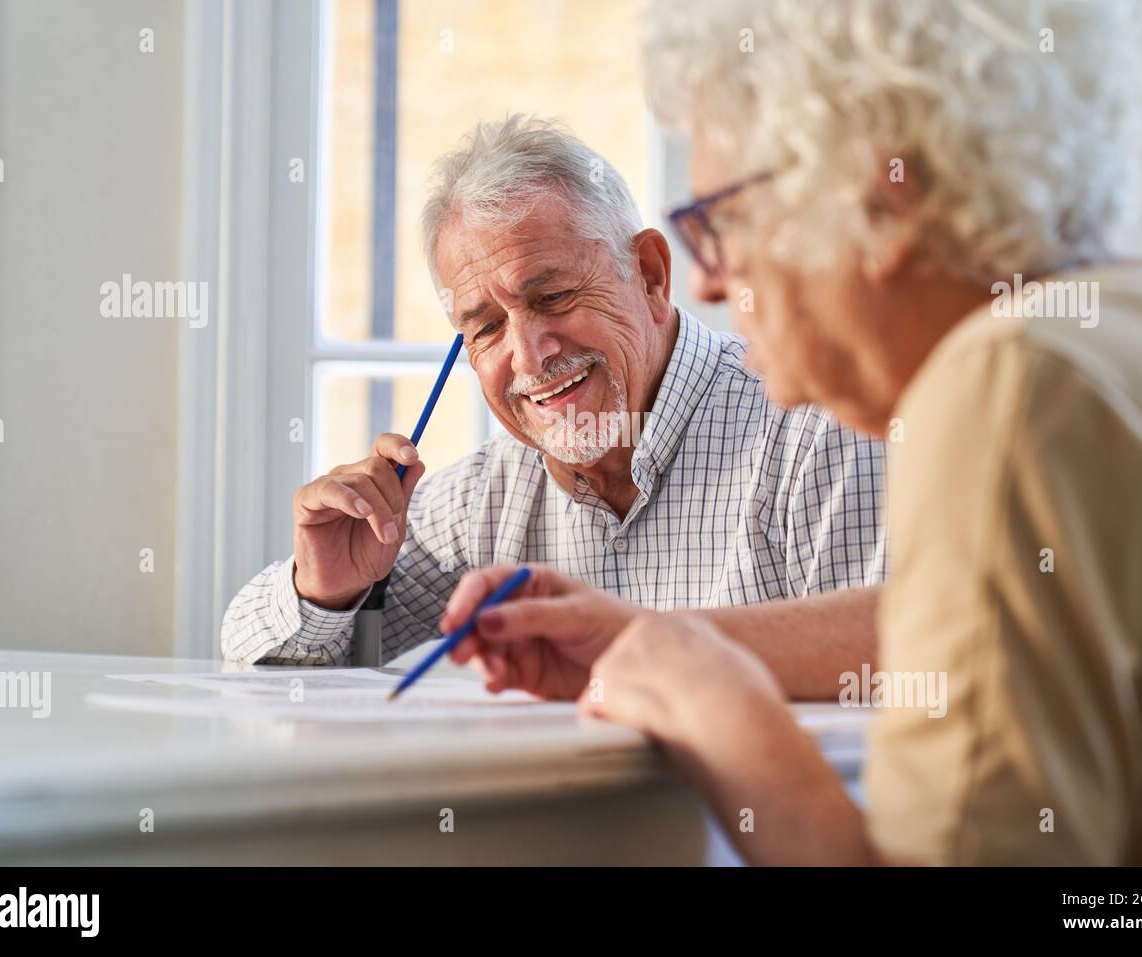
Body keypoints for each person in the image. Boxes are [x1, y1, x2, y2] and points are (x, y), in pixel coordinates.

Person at [445, 0, 1142, 864]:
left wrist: (719, 708)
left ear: (882, 201)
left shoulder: (1011, 387)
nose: (712, 287)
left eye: (727, 222)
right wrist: (662, 641)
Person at [222, 114, 886, 693]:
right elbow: (250, 660)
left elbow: (894, 683)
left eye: (553, 297)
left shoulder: (815, 435)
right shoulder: (488, 495)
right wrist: (325, 590)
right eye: (485, 327)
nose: (531, 355)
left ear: (651, 274)